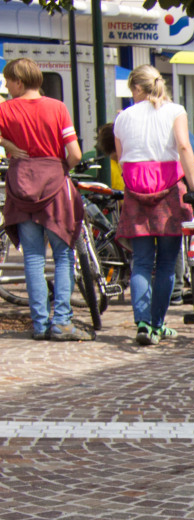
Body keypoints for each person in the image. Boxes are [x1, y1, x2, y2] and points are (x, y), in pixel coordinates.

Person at [113, 64, 194, 346]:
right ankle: (158, 324)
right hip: (168, 190)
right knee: (166, 262)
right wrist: (193, 185)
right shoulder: (175, 111)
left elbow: (121, 158)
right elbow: (183, 146)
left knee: (140, 262)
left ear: (137, 89)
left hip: (135, 190)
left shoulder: (123, 117)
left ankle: (142, 322)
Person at [0, 58, 90, 342]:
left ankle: (39, 324)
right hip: (54, 182)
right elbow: (74, 153)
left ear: (18, 80)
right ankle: (61, 322)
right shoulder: (57, 108)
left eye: (7, 80)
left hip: (20, 183)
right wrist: (61, 166)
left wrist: (6, 144)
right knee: (63, 256)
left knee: (33, 258)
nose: (6, 85)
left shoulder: (4, 110)